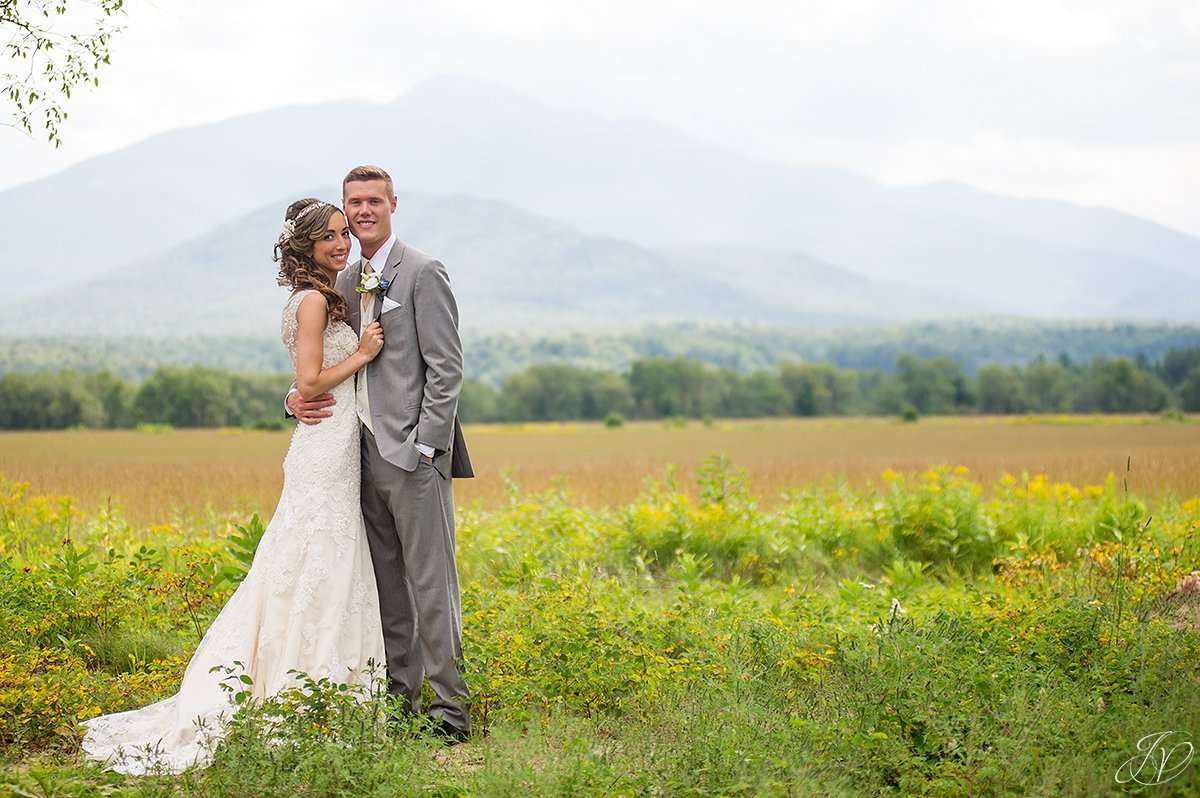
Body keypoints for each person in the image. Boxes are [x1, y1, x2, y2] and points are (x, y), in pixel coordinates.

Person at [81, 199, 387, 774]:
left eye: (345, 234)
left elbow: (303, 384)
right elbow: (310, 379)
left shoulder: (315, 295)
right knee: (316, 555)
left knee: (307, 563)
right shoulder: (316, 301)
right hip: (324, 448)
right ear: (306, 247)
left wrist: (300, 396)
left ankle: (311, 683)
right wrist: (366, 352)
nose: (342, 244)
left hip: (333, 443)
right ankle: (301, 691)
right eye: (330, 238)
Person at [288, 165, 473, 743]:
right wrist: (294, 397)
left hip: (411, 457)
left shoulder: (421, 271)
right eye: (353, 203)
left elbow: (447, 369)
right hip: (354, 457)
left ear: (393, 203)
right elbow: (318, 365)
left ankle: (449, 712)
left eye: (373, 201)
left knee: (431, 584)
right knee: (386, 585)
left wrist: (425, 446)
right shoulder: (338, 281)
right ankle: (401, 703)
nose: (363, 211)